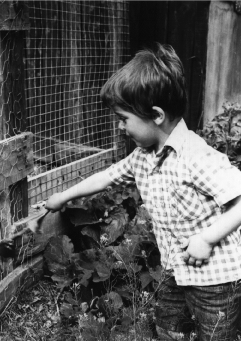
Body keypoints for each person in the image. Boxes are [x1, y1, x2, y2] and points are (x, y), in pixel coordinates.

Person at [45, 44, 241, 341]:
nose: (121, 127)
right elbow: (106, 177)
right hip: (175, 272)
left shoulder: (196, 157)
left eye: (124, 118)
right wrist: (61, 197)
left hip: (216, 281)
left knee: (215, 336)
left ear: (157, 115)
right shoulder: (142, 156)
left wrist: (206, 238)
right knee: (168, 330)